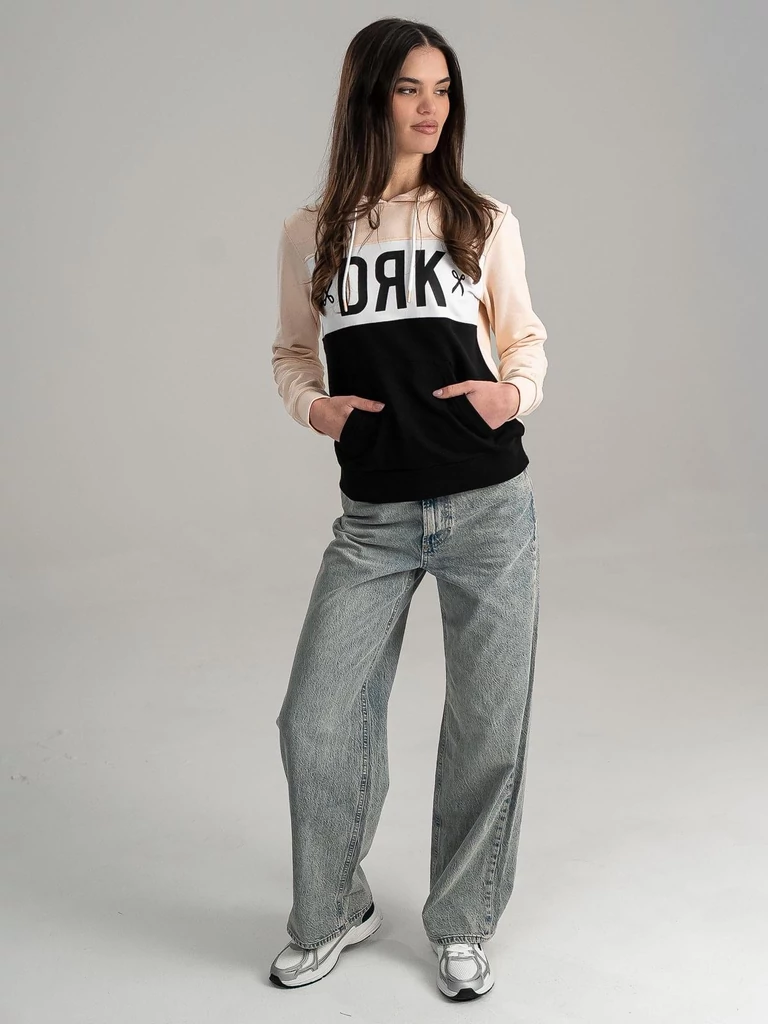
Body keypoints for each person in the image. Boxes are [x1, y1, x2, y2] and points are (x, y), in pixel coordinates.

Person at [268, 17, 547, 1002]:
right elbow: (292, 351)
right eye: (408, 88)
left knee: (486, 726)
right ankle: (334, 907)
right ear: (369, 97)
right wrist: (315, 408)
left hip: (487, 506)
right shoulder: (314, 231)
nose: (431, 108)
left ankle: (462, 921)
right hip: (376, 520)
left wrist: (512, 395)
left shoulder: (483, 219)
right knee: (314, 719)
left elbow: (524, 337)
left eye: (443, 89)